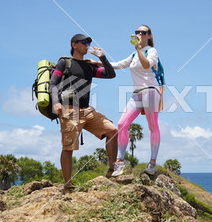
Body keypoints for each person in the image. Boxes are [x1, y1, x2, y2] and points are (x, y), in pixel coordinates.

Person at [49, 34, 118, 192]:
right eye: (84, 42)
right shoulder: (64, 62)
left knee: (112, 130)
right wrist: (56, 102)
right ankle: (68, 185)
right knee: (68, 147)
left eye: (88, 42)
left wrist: (103, 58)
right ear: (74, 45)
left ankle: (112, 171)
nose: (87, 45)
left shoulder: (89, 66)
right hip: (69, 109)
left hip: (87, 110)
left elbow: (111, 74)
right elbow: (53, 83)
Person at [110, 25, 161, 176]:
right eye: (137, 32)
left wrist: (139, 48)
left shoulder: (151, 51)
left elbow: (146, 64)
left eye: (143, 32)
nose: (139, 34)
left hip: (151, 90)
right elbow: (118, 65)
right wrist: (100, 61)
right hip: (136, 94)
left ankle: (152, 163)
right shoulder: (133, 55)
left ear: (149, 36)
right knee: (121, 124)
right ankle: (119, 161)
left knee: (152, 126)